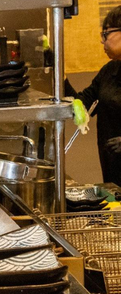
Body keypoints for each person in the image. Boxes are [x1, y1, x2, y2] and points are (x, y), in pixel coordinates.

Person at [70, 6, 121, 187]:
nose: (103, 41)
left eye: (106, 34)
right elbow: (81, 105)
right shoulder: (110, 70)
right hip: (113, 171)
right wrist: (58, 77)